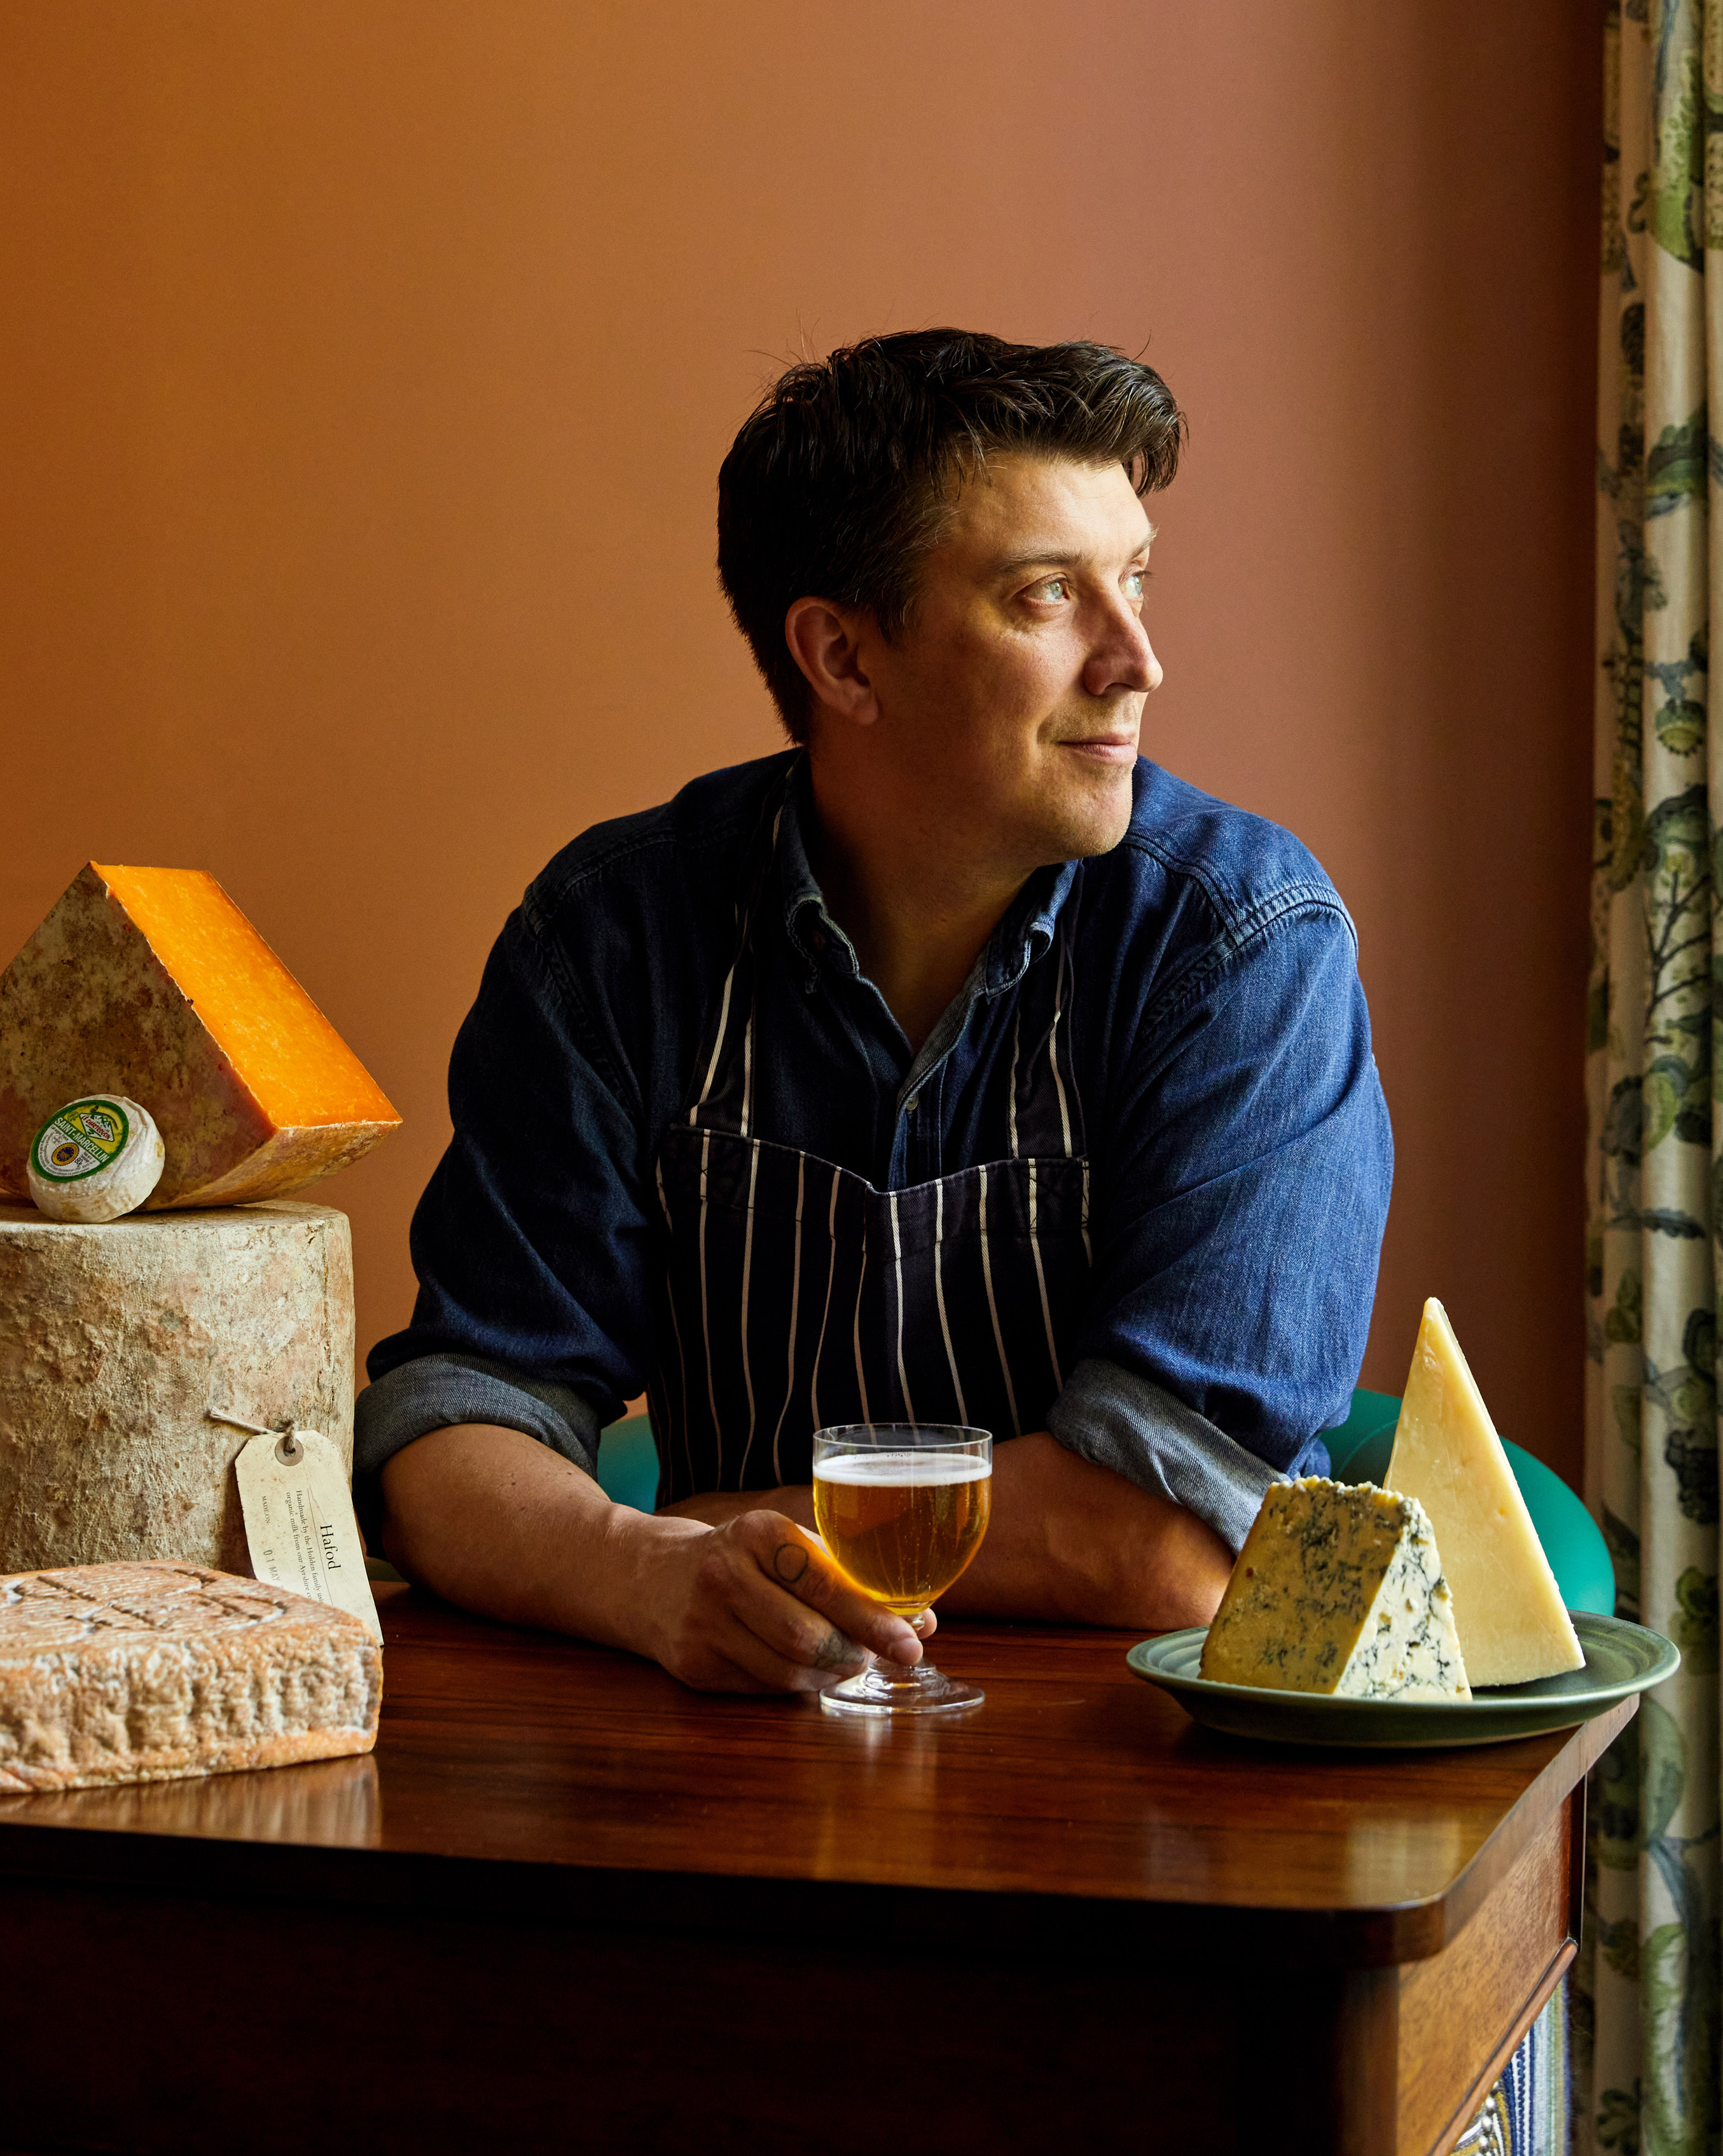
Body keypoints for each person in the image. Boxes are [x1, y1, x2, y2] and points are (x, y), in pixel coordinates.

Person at [358, 329, 1392, 1694]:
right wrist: (638, 1577)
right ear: (842, 660)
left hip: (1153, 1786)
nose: (1135, 659)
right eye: (1045, 598)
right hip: (740, 1752)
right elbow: (451, 1423)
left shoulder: (1243, 943)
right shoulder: (614, 936)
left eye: (1134, 580)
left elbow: (1160, 1541)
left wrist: (688, 1536)